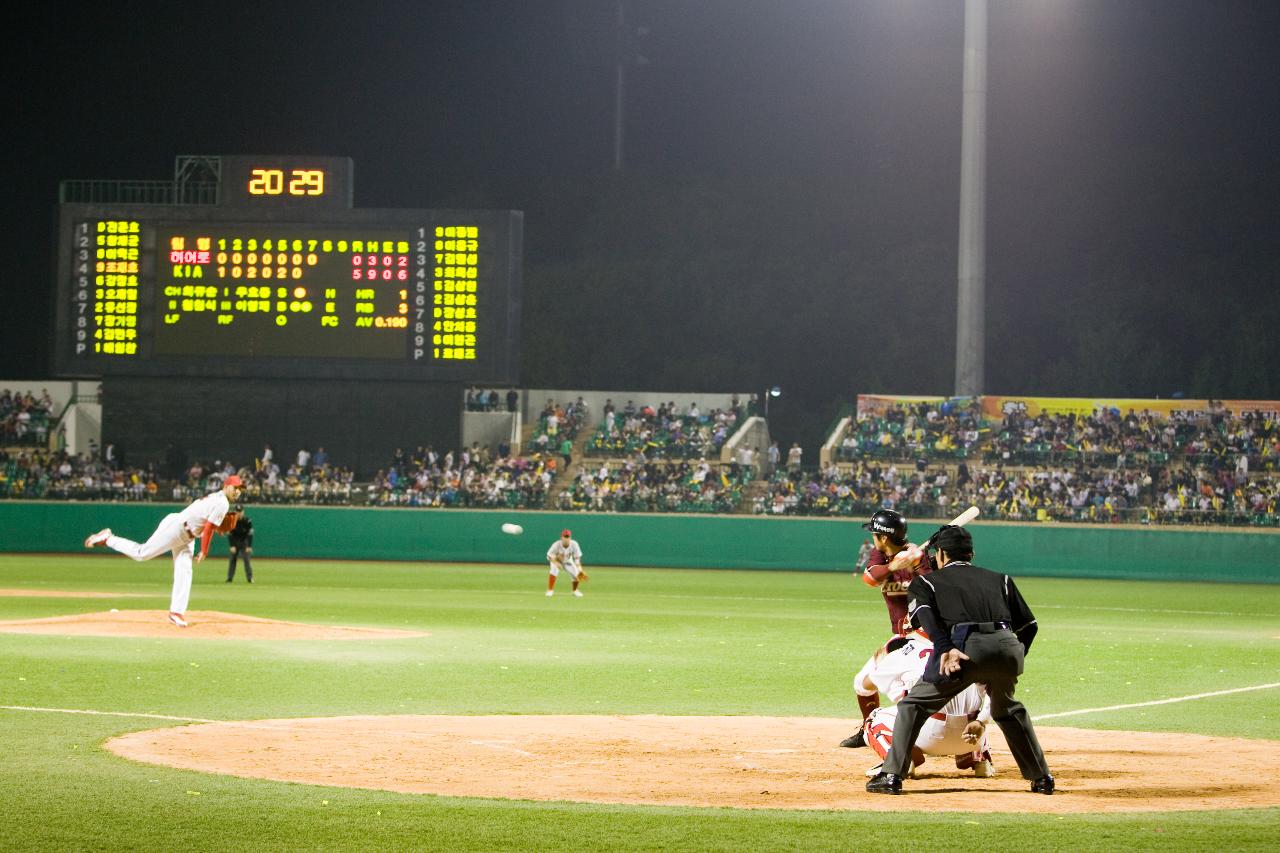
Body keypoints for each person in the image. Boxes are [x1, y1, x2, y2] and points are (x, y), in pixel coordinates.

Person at [866, 525, 1054, 795]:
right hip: (1008, 647)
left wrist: (946, 649)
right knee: (1008, 710)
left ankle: (892, 776)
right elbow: (1030, 625)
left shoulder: (927, 582)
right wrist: (1013, 657)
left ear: (940, 554)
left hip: (963, 649)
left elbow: (928, 622)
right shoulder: (1001, 579)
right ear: (972, 553)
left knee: (912, 706)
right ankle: (1042, 779)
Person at [84, 475, 244, 628]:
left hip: (187, 534)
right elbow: (208, 528)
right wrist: (204, 551)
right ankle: (109, 538)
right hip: (177, 528)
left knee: (184, 570)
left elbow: (204, 522)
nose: (238, 491)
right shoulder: (223, 503)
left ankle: (176, 612)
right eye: (235, 487)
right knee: (142, 553)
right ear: (226, 486)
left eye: (240, 489)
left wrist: (213, 528)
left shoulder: (218, 497)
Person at [839, 510, 934, 748]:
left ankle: (932, 740)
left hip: (926, 638)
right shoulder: (879, 555)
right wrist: (894, 565)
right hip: (901, 638)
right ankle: (869, 728)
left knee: (914, 690)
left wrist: (915, 564)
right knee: (862, 683)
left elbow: (936, 588)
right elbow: (870, 579)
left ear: (883, 536)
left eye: (874, 533)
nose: (873, 538)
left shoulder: (918, 556)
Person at [546, 528, 588, 597]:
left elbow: (577, 558)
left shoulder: (574, 544)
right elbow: (549, 556)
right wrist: (556, 563)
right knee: (554, 570)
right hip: (556, 560)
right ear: (561, 537)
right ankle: (550, 590)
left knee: (576, 574)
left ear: (570, 538)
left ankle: (575, 591)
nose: (566, 538)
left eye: (567, 537)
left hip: (567, 561)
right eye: (565, 537)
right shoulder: (556, 544)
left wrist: (580, 570)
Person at [226, 505, 254, 583]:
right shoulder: (232, 521)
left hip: (244, 542)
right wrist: (232, 546)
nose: (239, 513)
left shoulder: (247, 521)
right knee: (232, 560)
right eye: (237, 512)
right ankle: (229, 578)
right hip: (235, 542)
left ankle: (250, 578)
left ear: (243, 512)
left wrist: (249, 546)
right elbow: (230, 534)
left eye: (240, 512)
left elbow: (250, 534)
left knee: (247, 560)